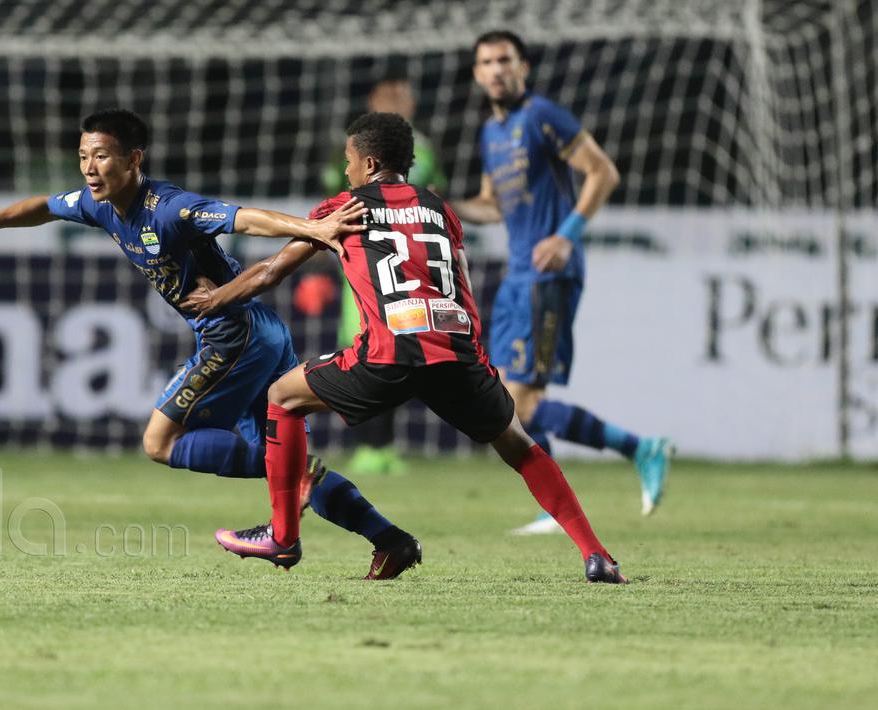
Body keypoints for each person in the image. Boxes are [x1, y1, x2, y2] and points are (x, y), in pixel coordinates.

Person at [0, 108, 422, 578]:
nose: (89, 168)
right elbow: (44, 207)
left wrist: (311, 227)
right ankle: (390, 539)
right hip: (261, 331)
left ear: (134, 159)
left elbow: (245, 219)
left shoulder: (169, 207)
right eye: (83, 156)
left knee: (159, 442)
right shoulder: (95, 203)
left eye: (102, 156)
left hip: (234, 335)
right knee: (283, 461)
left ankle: (297, 473)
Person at [193, 111, 629, 583]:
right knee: (519, 446)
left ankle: (282, 536)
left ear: (370, 163)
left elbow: (271, 272)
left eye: (349, 160)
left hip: (388, 354)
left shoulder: (346, 207)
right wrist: (473, 354)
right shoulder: (439, 208)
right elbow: (463, 287)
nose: (346, 170)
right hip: (454, 351)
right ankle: (597, 555)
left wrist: (214, 299)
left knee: (282, 397)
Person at [457, 30, 673, 535]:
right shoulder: (491, 133)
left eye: (505, 60)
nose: (496, 70)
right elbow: (491, 205)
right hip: (517, 275)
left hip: (549, 272)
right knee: (505, 400)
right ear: (477, 74)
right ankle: (553, 507)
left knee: (522, 402)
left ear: (523, 67)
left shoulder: (543, 116)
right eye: (487, 62)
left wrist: (565, 236)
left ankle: (641, 448)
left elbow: (603, 172)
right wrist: (441, 204)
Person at [314, 73, 449, 477]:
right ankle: (370, 445)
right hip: (364, 264)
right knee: (364, 348)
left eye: (402, 96)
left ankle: (384, 445)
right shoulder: (352, 148)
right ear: (373, 100)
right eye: (388, 96)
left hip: (411, 267)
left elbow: (436, 197)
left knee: (404, 349)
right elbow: (333, 200)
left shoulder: (424, 150)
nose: (396, 103)